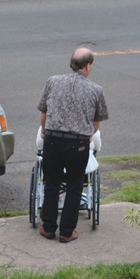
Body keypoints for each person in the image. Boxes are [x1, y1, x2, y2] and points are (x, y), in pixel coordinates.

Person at [37, 47, 109, 243]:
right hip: (78, 144)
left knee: (52, 185)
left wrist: (44, 130)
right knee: (74, 187)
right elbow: (96, 123)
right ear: (87, 66)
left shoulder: (53, 81)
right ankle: (67, 232)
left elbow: (43, 113)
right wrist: (88, 135)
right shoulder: (96, 90)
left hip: (52, 140)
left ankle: (48, 227)